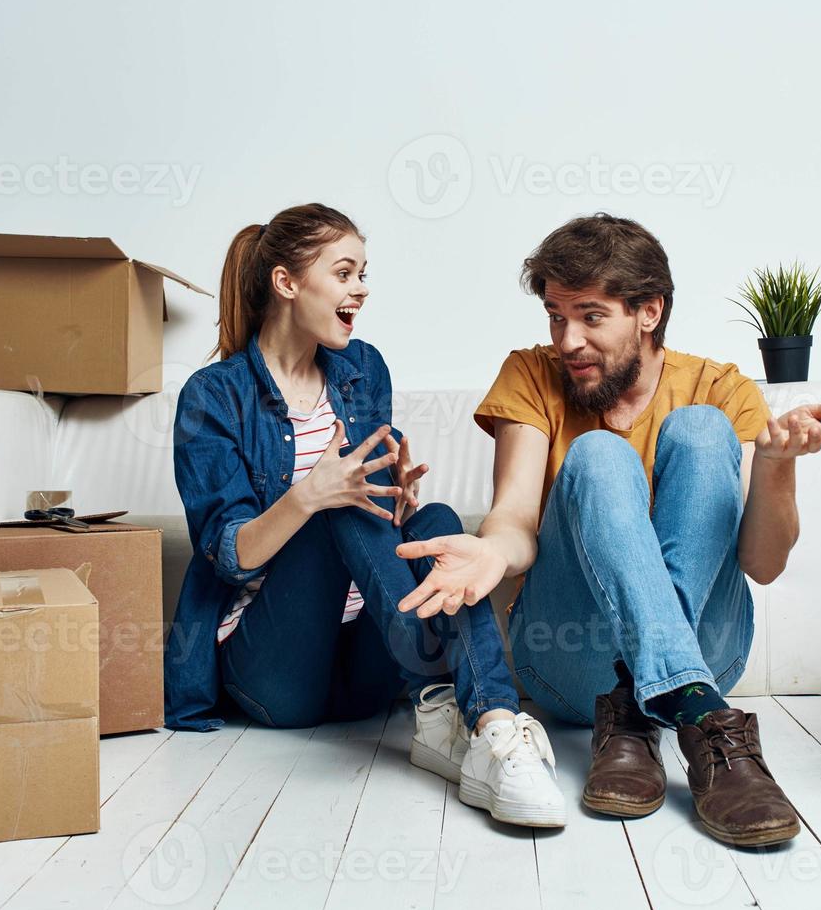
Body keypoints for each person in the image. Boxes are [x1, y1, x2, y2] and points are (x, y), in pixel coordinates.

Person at [395, 214, 821, 846]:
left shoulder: (718, 387)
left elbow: (764, 565)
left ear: (649, 312)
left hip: (710, 646)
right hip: (572, 656)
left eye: (590, 316)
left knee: (700, 428)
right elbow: (518, 516)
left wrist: (774, 467)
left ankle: (642, 706)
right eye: (555, 316)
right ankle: (698, 715)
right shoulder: (532, 374)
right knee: (599, 457)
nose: (567, 340)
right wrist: (493, 551)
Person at [164, 203, 565, 827]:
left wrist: (394, 498)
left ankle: (488, 724)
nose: (362, 289)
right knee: (336, 508)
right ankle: (441, 672)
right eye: (345, 273)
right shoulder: (214, 397)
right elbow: (228, 552)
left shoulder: (362, 370)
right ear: (287, 282)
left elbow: (381, 518)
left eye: (364, 274)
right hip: (276, 677)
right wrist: (310, 495)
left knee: (435, 521)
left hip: (369, 670)